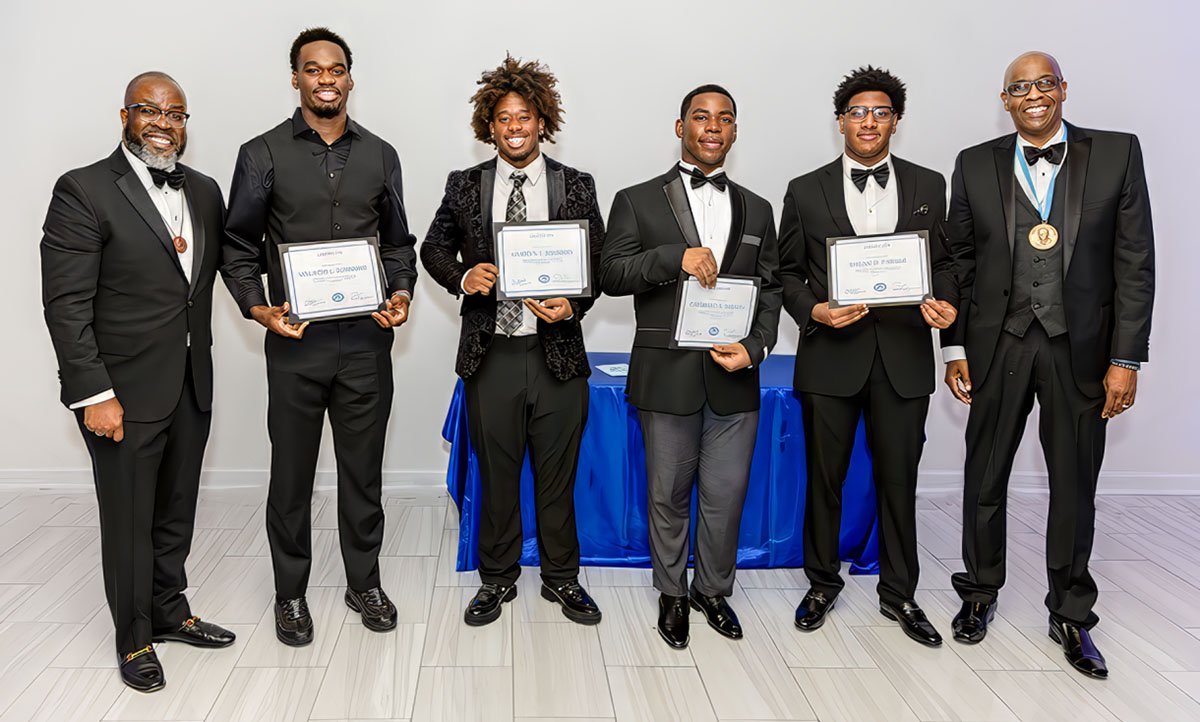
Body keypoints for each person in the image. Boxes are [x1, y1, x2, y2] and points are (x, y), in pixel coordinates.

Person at [942, 51, 1155, 679]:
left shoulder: (1117, 152)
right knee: (984, 477)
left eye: (1043, 83)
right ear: (1004, 100)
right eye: (1019, 87)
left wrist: (1125, 357)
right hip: (997, 344)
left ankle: (1070, 613)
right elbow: (956, 261)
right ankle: (979, 593)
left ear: (1063, 88)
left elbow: (1135, 262)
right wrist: (954, 346)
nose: (1032, 95)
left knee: (1074, 486)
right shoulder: (973, 163)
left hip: (1080, 348)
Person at [222, 27, 418, 646]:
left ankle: (365, 583)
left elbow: (398, 243)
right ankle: (290, 593)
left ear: (350, 79)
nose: (325, 79)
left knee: (363, 474)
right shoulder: (261, 153)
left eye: (335, 69)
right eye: (313, 69)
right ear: (296, 78)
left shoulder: (381, 155)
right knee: (291, 477)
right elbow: (237, 244)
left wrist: (401, 293)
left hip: (366, 343)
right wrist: (258, 310)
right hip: (295, 343)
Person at [41, 71, 235, 692]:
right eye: (150, 110)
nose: (163, 123)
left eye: (176, 114)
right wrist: (94, 394)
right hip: (121, 393)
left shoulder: (204, 190)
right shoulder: (83, 189)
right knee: (129, 521)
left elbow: (230, 269)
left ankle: (170, 611)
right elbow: (66, 304)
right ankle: (134, 638)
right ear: (124, 115)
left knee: (176, 509)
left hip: (190, 382)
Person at [420, 55, 605, 627]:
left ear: (541, 121)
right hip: (492, 352)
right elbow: (432, 248)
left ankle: (561, 578)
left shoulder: (575, 184)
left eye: (524, 116)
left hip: (557, 355)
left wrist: (573, 303)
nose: (515, 127)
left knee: (557, 477)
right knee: (497, 477)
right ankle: (496, 579)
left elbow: (598, 262)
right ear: (489, 125)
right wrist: (462, 277)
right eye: (503, 118)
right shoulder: (465, 184)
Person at [779, 66, 957, 647]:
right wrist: (814, 310)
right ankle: (821, 583)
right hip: (831, 356)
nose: (869, 121)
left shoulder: (929, 184)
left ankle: (900, 592)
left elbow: (946, 263)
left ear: (895, 122)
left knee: (899, 480)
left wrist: (946, 303)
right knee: (824, 480)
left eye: (881, 112)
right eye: (858, 112)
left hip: (903, 357)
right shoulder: (804, 189)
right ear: (841, 122)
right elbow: (785, 272)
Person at [599, 85, 781, 649]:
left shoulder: (758, 207)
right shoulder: (636, 200)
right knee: (667, 495)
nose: (713, 127)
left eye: (724, 119)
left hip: (735, 375)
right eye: (701, 117)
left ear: (735, 131)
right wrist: (671, 258)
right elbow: (611, 274)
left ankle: (713, 591)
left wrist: (757, 346)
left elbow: (771, 289)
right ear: (681, 127)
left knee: (726, 497)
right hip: (667, 375)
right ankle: (672, 593)